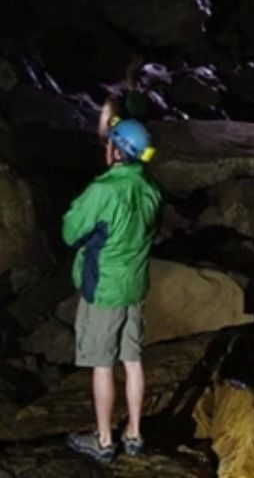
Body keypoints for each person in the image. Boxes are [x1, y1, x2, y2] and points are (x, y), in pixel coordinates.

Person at [63, 118, 161, 464]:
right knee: (132, 360)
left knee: (102, 364)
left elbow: (71, 231)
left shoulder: (104, 190)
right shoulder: (150, 188)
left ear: (117, 150)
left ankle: (104, 440)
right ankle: (134, 434)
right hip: (134, 285)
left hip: (105, 289)